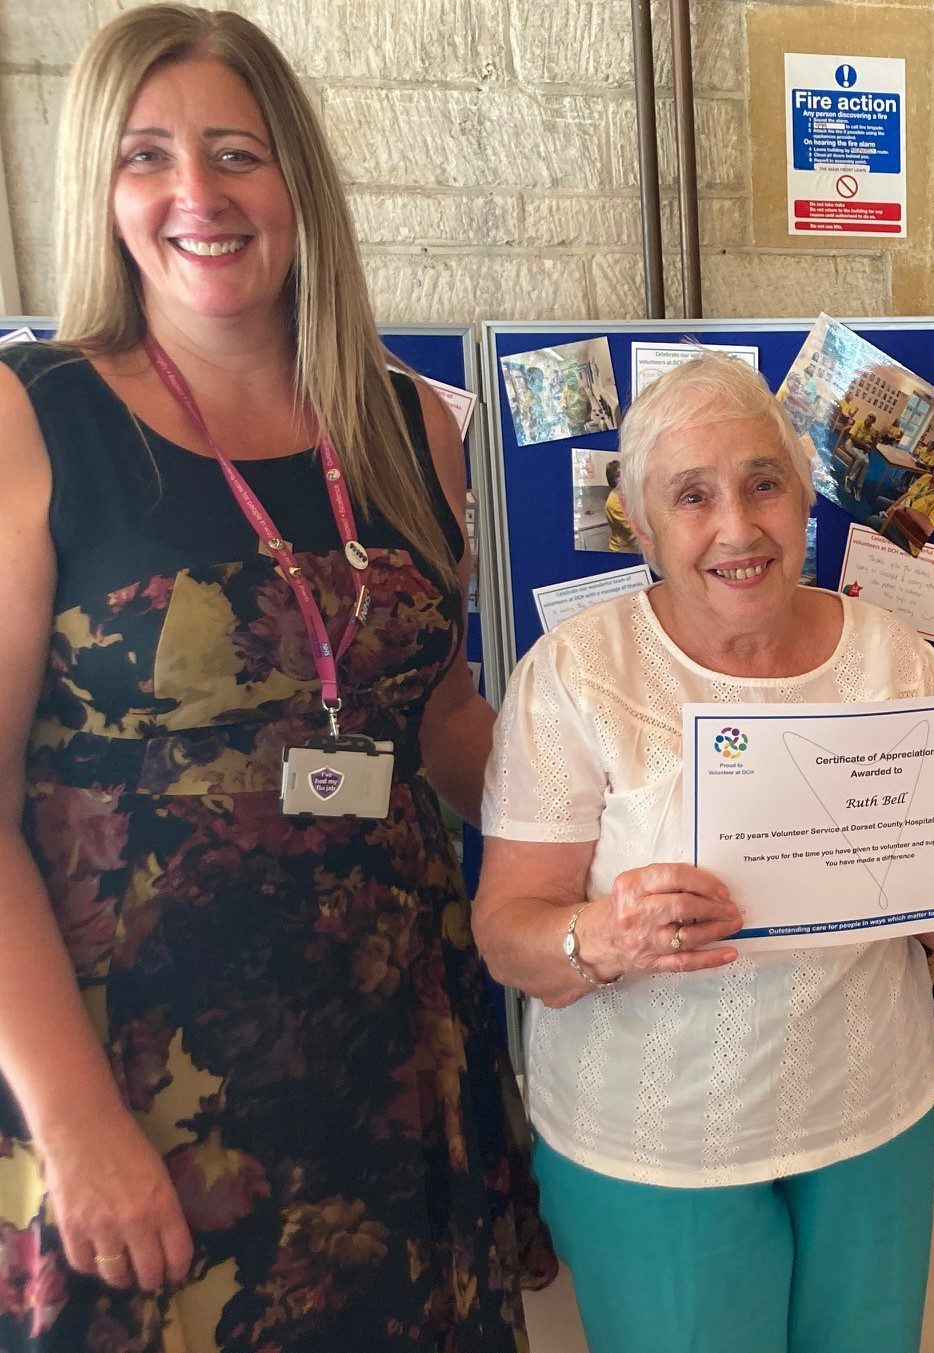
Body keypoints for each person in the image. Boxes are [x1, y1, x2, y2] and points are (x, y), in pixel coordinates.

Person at [0, 7, 548, 1350]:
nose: (198, 194)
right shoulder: (34, 414)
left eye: (236, 151)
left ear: (297, 178)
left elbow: (439, 724)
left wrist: (660, 759)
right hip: (145, 1076)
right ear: (103, 187)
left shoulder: (410, 421)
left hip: (405, 1059)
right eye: (149, 155)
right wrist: (74, 1120)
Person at [472, 350, 934, 1353]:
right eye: (692, 497)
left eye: (763, 486)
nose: (738, 528)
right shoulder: (577, 674)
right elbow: (505, 934)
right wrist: (605, 934)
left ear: (805, 498)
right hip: (656, 1150)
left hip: (871, 1120)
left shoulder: (892, 656)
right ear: (648, 526)